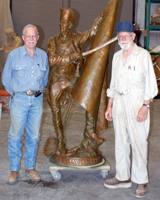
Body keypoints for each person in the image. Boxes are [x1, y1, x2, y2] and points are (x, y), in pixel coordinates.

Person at [104, 21, 158, 198]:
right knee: (120, 141)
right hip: (118, 101)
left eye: (126, 36)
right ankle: (122, 177)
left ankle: (141, 180)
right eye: (120, 37)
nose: (123, 39)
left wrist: (145, 106)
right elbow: (112, 83)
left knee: (139, 141)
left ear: (133, 36)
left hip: (136, 103)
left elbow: (151, 83)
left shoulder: (143, 55)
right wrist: (110, 105)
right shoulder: (117, 56)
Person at [47, 8, 103, 155]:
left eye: (65, 23)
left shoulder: (76, 39)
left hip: (73, 78)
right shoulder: (52, 41)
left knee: (92, 92)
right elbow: (52, 60)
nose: (62, 25)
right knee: (55, 109)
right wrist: (71, 57)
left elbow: (90, 34)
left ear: (70, 25)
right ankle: (60, 142)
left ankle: (90, 133)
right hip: (57, 79)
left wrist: (98, 22)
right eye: (61, 22)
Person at [2, 24, 49, 185]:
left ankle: (30, 168)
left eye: (33, 36)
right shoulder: (14, 55)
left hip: (37, 100)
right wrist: (15, 93)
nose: (31, 39)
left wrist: (37, 91)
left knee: (34, 136)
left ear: (38, 38)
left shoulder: (43, 55)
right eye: (28, 36)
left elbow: (45, 79)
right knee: (15, 136)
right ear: (23, 38)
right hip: (19, 100)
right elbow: (6, 78)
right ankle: (14, 169)